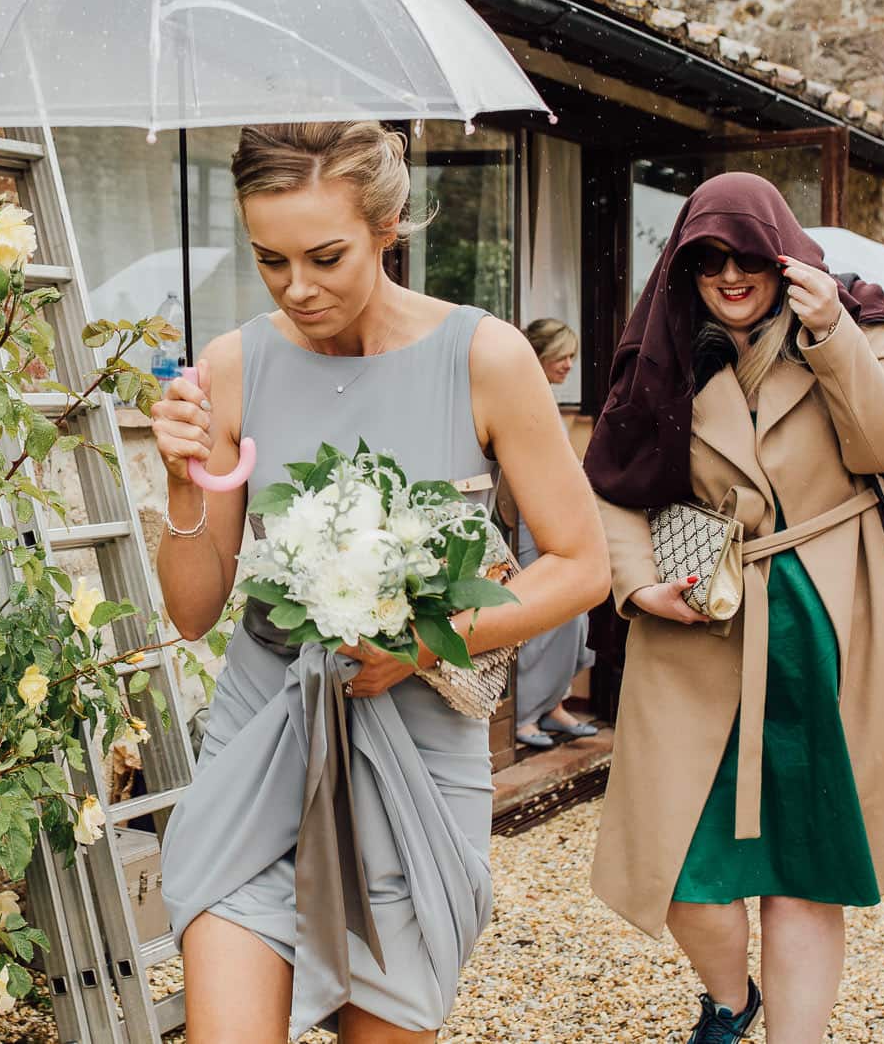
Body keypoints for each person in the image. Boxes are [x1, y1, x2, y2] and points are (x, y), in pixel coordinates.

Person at [152, 120, 610, 1044]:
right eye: (269, 259)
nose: (297, 287)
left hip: (417, 761)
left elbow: (583, 564)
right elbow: (195, 610)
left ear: (389, 224)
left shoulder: (485, 356)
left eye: (325, 255)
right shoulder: (236, 364)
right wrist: (179, 478)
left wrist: (418, 645)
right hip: (262, 747)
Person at [582, 173, 884, 1044]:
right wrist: (638, 579)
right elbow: (610, 485)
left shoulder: (858, 319)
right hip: (700, 630)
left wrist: (831, 330)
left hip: (829, 624)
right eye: (707, 258)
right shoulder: (660, 350)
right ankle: (731, 999)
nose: (728, 275)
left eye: (747, 256)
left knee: (802, 867)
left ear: (780, 253)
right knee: (684, 868)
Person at [503, 319, 597, 751]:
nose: (569, 365)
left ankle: (553, 704)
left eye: (572, 356)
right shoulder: (519, 401)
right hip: (531, 525)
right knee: (543, 620)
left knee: (574, 619)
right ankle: (523, 715)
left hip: (559, 521)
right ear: (539, 356)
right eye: (562, 355)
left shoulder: (548, 402)